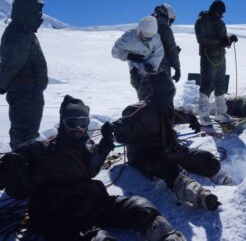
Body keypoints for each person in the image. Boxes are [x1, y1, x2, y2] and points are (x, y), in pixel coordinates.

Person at [0, 95, 184, 241]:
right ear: (62, 122)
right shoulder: (39, 150)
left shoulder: (86, 147)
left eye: (83, 123)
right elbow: (21, 191)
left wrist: (106, 142)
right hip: (61, 215)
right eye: (72, 123)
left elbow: (93, 166)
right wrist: (14, 172)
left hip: (93, 202)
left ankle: (166, 236)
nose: (78, 129)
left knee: (139, 207)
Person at [112, 72, 236, 211]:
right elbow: (121, 135)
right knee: (170, 169)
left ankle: (226, 182)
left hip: (171, 149)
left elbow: (176, 114)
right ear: (153, 93)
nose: (170, 97)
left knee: (208, 159)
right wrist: (120, 130)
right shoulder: (137, 112)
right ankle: (197, 195)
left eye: (172, 92)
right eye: (167, 93)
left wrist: (190, 118)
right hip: (146, 155)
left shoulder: (165, 107)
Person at [0, 0, 48, 150]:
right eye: (37, 12)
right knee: (24, 134)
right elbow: (13, 63)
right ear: (27, 11)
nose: (40, 16)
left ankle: (23, 165)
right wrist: (2, 83)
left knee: (26, 132)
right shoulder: (19, 32)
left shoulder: (23, 30)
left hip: (28, 92)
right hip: (25, 93)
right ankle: (21, 168)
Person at [195, 0, 238, 126]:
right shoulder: (201, 21)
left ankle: (221, 113)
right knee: (207, 84)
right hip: (208, 57)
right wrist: (220, 42)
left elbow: (223, 38)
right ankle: (203, 116)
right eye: (219, 12)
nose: (220, 15)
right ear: (213, 10)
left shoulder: (221, 23)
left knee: (220, 85)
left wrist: (229, 39)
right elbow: (201, 40)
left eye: (222, 14)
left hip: (220, 58)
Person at [112, 15, 166, 101]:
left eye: (149, 37)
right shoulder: (128, 38)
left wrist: (152, 64)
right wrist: (129, 56)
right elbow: (114, 52)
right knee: (144, 97)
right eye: (144, 36)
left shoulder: (155, 39)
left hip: (150, 70)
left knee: (158, 94)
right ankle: (145, 111)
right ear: (139, 30)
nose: (146, 39)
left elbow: (159, 53)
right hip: (136, 72)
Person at [152, 4, 181, 82]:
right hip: (161, 68)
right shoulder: (165, 29)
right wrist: (177, 69)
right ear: (167, 16)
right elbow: (171, 49)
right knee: (164, 93)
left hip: (145, 68)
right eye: (171, 20)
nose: (171, 24)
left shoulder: (147, 26)